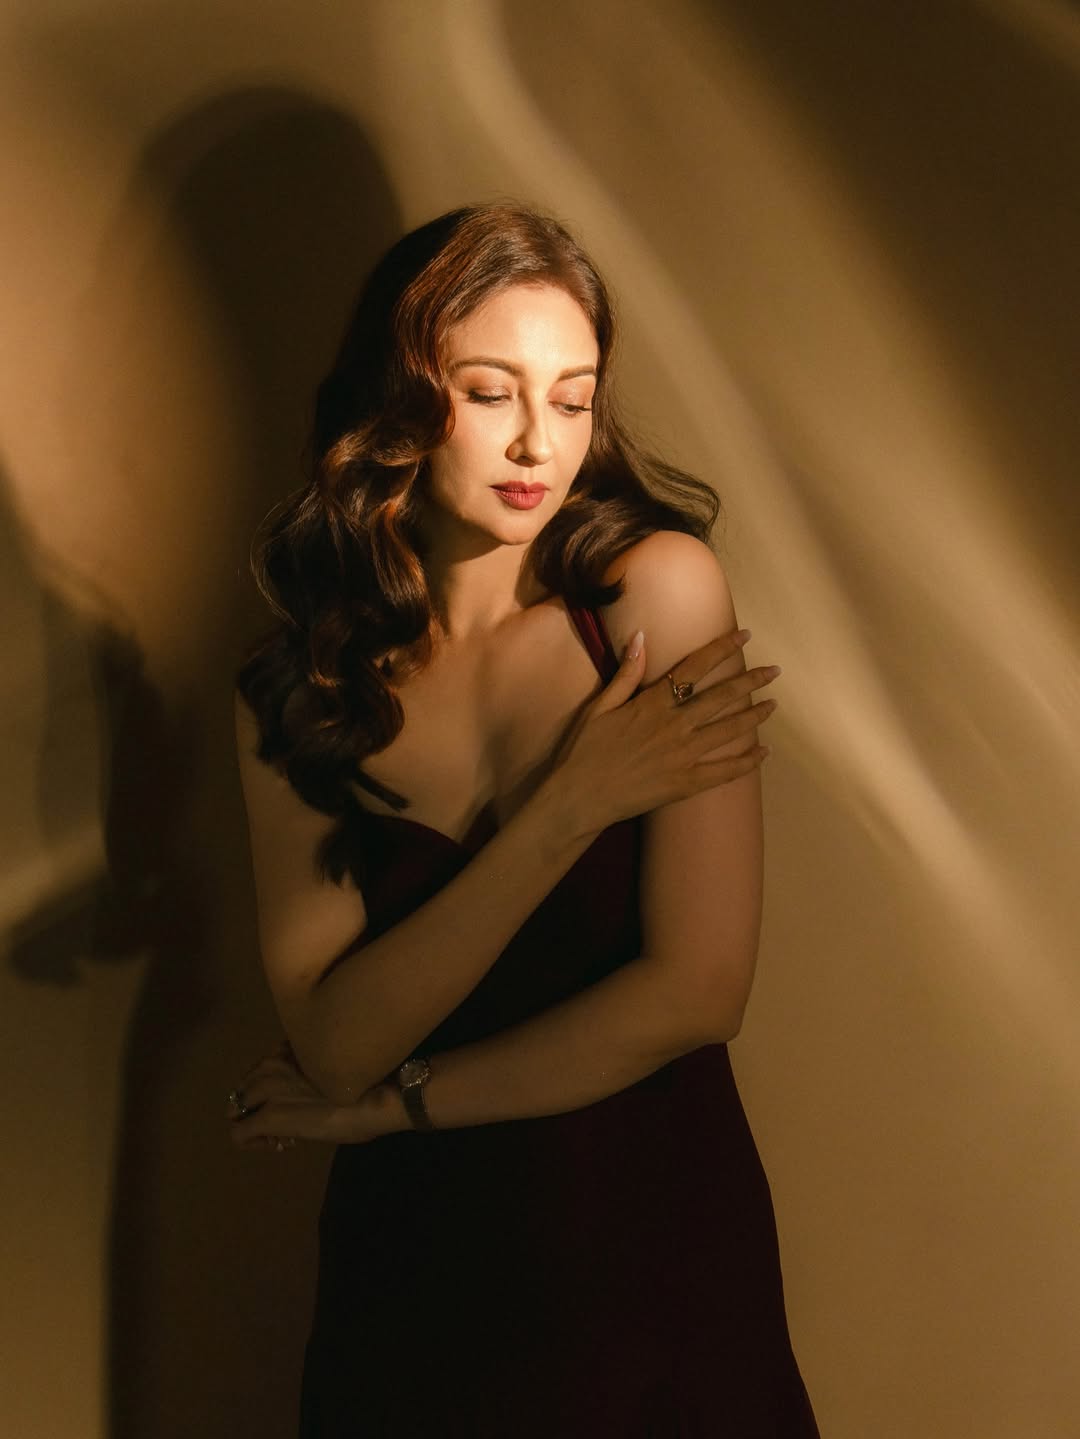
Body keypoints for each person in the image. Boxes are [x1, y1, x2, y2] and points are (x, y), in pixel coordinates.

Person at [228, 202, 818, 1436]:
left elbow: (700, 989)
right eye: (491, 391)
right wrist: (569, 809)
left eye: (573, 396)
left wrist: (391, 1109)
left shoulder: (653, 598)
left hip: (651, 1256)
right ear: (399, 400)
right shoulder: (299, 693)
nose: (538, 440)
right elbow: (334, 1041)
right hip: (415, 1280)